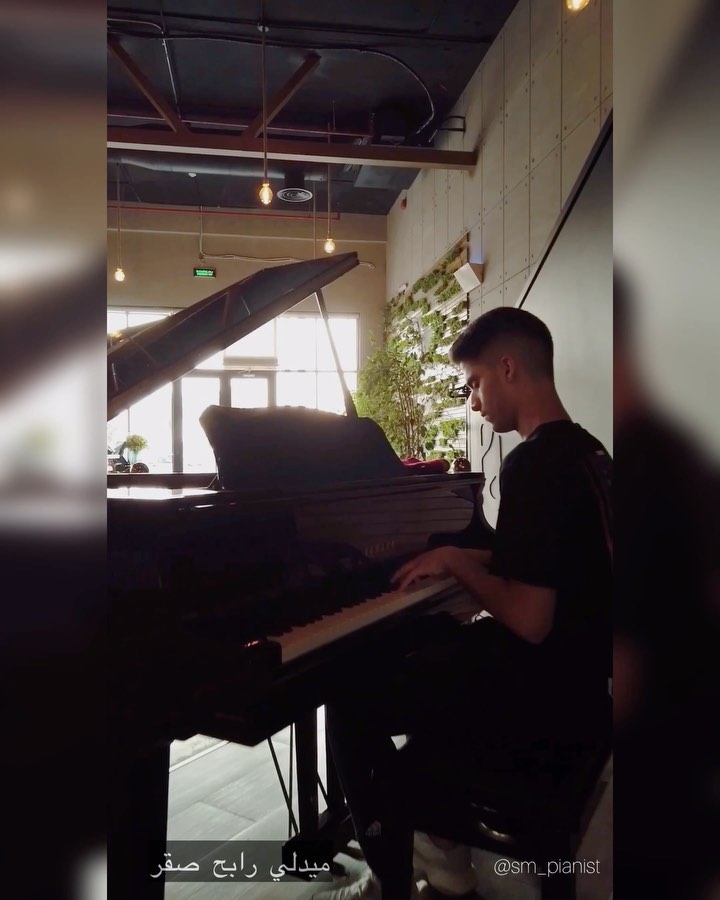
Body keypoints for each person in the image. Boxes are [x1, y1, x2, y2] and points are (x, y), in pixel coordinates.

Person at [316, 307, 612, 900]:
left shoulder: (533, 463)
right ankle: (442, 846)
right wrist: (459, 554)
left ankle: (397, 872)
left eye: (475, 383)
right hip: (582, 681)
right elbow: (540, 560)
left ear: (508, 368)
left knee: (348, 700)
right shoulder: (588, 453)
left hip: (540, 698)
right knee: (424, 648)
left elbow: (529, 619)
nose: (474, 402)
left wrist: (454, 563)